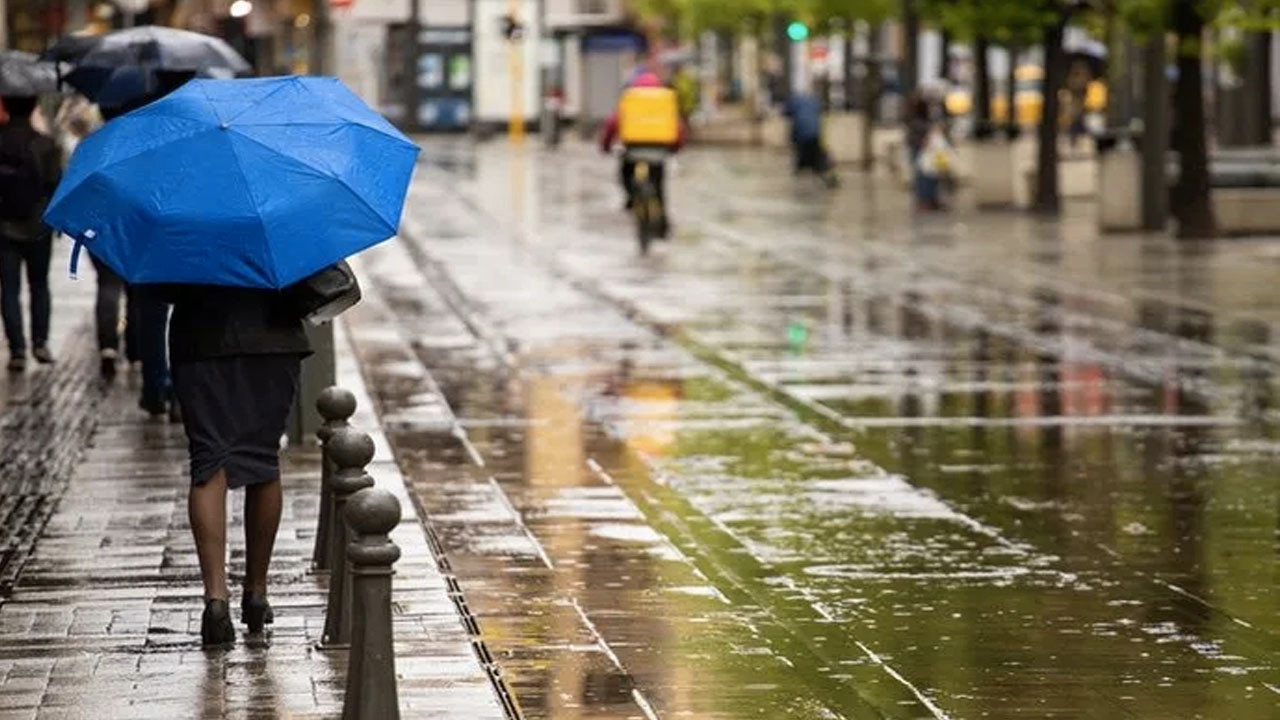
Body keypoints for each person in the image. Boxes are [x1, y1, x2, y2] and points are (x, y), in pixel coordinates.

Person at [158, 284, 311, 646]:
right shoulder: (277, 224)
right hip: (272, 336)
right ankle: (256, 593)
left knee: (208, 463)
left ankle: (216, 599)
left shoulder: (184, 224)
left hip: (201, 340)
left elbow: (157, 288)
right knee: (263, 458)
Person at [0, 95, 62, 373]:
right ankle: (40, 342)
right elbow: (56, 185)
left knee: (9, 290)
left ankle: (17, 350)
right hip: (39, 225)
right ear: (34, 106)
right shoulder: (46, 144)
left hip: (4, 226)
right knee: (39, 285)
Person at [600, 71, 686, 231]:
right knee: (659, 185)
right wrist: (675, 148)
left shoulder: (630, 98)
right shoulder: (664, 100)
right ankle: (662, 224)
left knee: (625, 174)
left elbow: (613, 123)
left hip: (633, 150)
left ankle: (632, 199)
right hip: (659, 151)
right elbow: (677, 127)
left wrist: (605, 146)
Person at [785, 91, 838, 187]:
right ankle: (825, 176)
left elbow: (787, 114)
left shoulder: (794, 103)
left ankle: (818, 175)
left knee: (808, 157)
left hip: (803, 135)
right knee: (816, 156)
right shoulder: (814, 102)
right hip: (815, 133)